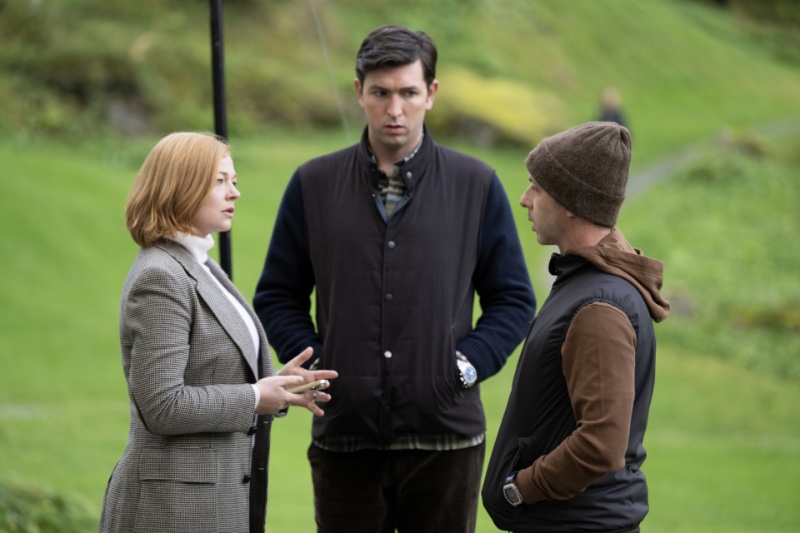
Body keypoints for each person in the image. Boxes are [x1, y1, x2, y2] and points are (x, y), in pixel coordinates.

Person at [253, 24, 536, 533]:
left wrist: (465, 367)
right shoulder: (312, 184)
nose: (394, 109)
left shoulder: (477, 185)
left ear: (431, 93)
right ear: (359, 92)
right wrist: (316, 360)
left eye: (408, 92)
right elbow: (278, 294)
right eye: (380, 93)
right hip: (345, 437)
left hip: (446, 441)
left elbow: (513, 299)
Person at [99, 132, 338, 533]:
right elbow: (161, 405)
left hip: (212, 502)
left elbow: (213, 370)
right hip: (170, 510)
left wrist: (274, 386)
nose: (235, 193)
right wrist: (255, 396)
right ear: (183, 186)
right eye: (220, 181)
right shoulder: (160, 277)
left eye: (235, 181)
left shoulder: (199, 264)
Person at [482, 121, 670, 533]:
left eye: (536, 186)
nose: (524, 199)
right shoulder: (586, 284)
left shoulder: (599, 305)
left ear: (570, 200)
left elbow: (601, 445)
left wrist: (520, 488)